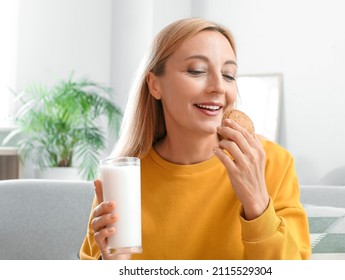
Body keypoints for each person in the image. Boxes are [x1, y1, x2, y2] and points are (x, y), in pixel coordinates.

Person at [80, 17, 311, 260]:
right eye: (197, 71)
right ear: (155, 85)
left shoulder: (271, 163)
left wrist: (257, 205)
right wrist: (114, 265)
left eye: (228, 75)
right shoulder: (122, 176)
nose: (218, 87)